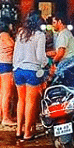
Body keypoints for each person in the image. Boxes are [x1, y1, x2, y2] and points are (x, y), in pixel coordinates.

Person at [13, 11, 48, 141]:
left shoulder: (21, 33)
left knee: (20, 100)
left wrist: (15, 67)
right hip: (32, 71)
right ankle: (27, 132)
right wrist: (45, 63)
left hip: (18, 70)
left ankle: (18, 130)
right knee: (30, 102)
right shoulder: (40, 35)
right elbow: (40, 57)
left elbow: (15, 53)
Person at [0, 18, 16, 127]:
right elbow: (13, 45)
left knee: (3, 92)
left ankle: (1, 116)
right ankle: (6, 118)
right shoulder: (4, 35)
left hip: (2, 63)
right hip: (6, 63)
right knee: (7, 92)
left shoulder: (0, 35)